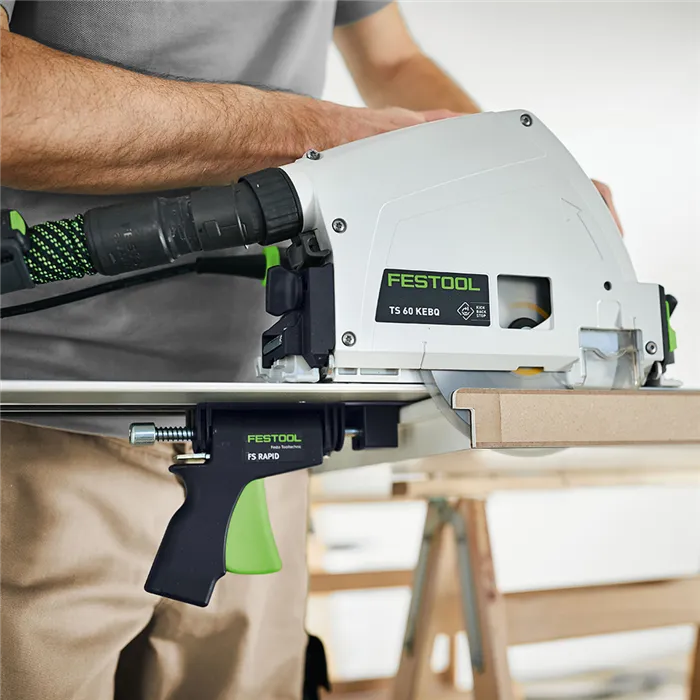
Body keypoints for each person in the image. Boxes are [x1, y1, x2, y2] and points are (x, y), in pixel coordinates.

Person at [0, 2, 621, 699]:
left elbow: (392, 59)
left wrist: (511, 181)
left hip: (265, 419)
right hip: (45, 425)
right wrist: (332, 140)